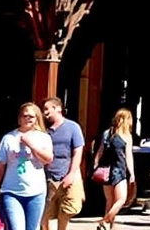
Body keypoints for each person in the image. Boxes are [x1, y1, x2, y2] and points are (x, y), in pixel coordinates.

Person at [0, 104, 56, 230]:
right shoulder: (8, 138)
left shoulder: (44, 137)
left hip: (36, 192)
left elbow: (48, 159)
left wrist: (30, 144)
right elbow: (0, 165)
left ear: (37, 118)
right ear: (19, 119)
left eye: (31, 116)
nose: (27, 119)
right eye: (24, 116)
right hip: (11, 191)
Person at [41, 99, 84, 230]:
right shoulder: (44, 130)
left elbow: (78, 151)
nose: (45, 113)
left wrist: (71, 173)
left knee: (68, 209)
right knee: (45, 213)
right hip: (48, 176)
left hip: (68, 173)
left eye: (48, 109)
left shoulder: (73, 127)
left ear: (58, 108)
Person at [90, 112, 135, 230]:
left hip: (105, 170)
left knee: (109, 201)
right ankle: (105, 221)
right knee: (121, 199)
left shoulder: (107, 133)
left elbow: (100, 151)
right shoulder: (126, 136)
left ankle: (110, 226)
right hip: (119, 171)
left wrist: (95, 166)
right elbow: (128, 156)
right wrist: (132, 173)